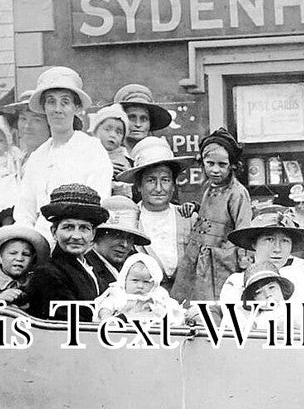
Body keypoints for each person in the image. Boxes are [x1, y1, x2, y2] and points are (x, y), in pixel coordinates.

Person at [13, 66, 113, 241]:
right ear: (44, 107)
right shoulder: (38, 157)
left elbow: (99, 205)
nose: (57, 109)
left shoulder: (91, 149)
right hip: (38, 243)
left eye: (65, 102)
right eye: (51, 102)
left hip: (78, 242)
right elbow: (25, 210)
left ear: (76, 108)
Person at [172, 128, 252, 303]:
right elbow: (208, 211)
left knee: (216, 302)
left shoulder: (237, 193)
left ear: (232, 165)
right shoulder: (208, 187)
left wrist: (244, 258)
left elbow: (243, 228)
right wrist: (193, 207)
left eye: (222, 165)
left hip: (221, 259)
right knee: (188, 299)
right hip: (197, 254)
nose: (215, 170)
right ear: (203, 163)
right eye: (210, 163)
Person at [114, 137, 196, 292]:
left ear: (173, 185)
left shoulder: (188, 218)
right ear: (138, 186)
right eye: (151, 180)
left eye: (165, 180)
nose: (159, 188)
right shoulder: (130, 221)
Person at [23, 183, 110, 320]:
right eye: (68, 227)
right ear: (54, 232)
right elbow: (68, 325)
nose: (76, 236)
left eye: (84, 228)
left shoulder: (93, 267)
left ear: (93, 233)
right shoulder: (48, 274)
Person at [221, 204, 304, 305]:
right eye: (269, 240)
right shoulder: (236, 284)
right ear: (254, 243)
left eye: (285, 241)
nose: (277, 249)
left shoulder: (301, 282)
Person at [95, 252, 187, 325]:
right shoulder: (118, 293)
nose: (140, 286)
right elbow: (106, 306)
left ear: (154, 283)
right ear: (124, 279)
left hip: (152, 330)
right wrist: (106, 316)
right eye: (135, 280)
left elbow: (172, 308)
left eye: (146, 282)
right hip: (124, 329)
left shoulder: (157, 294)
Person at [0, 225, 50, 308]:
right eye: (13, 253)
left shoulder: (34, 281)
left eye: (26, 254)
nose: (19, 258)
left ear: (33, 260)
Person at [86, 196, 150, 291]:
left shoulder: (132, 267)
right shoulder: (87, 269)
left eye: (129, 238)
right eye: (117, 235)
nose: (124, 244)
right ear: (98, 235)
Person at [113, 83, 172, 150]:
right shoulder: (106, 154)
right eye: (131, 118)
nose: (138, 124)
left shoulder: (158, 151)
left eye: (144, 119)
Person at [88, 103, 134, 188]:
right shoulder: (85, 155)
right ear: (95, 131)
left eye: (119, 132)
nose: (113, 135)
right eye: (107, 129)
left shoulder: (124, 162)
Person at [239, 261, 293, 332]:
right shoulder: (255, 321)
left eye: (271, 287)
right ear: (253, 299)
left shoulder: (297, 309)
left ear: (281, 287)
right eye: (259, 292)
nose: (267, 294)